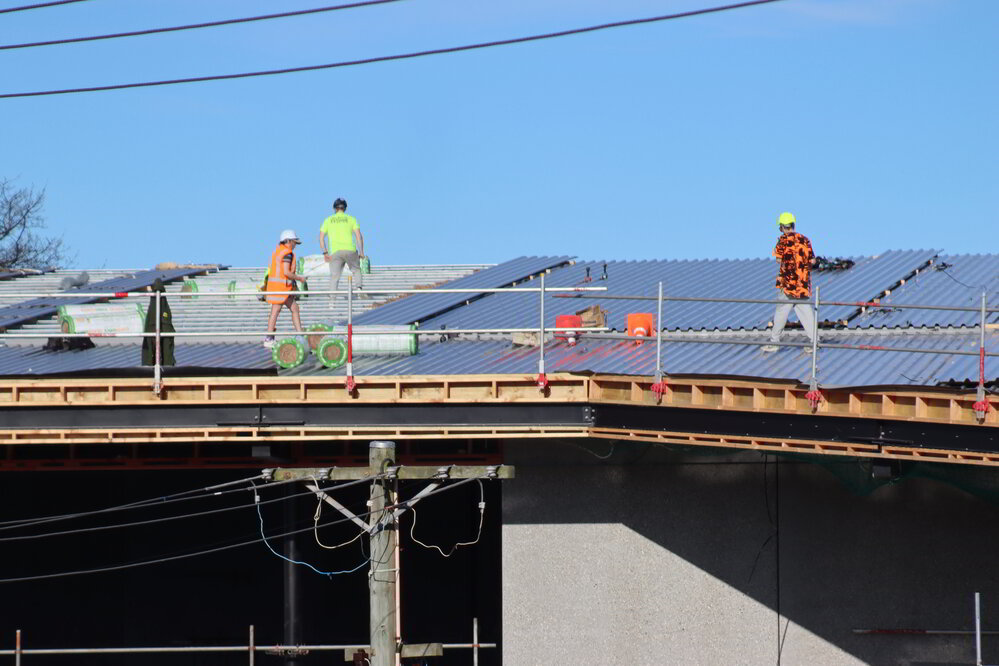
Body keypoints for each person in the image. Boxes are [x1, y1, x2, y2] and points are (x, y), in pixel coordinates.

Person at [762, 212, 817, 353]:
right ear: (793, 224)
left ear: (782, 227)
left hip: (787, 284)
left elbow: (779, 259)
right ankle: (815, 343)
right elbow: (813, 261)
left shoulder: (783, 240)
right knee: (807, 314)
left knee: (781, 313)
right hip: (802, 284)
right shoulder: (805, 240)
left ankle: (774, 343)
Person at [264, 229, 308, 348]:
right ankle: (269, 338)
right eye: (294, 242)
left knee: (294, 308)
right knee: (276, 310)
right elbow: (286, 272)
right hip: (281, 288)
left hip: (277, 287)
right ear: (288, 241)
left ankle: (299, 335)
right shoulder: (287, 254)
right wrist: (300, 278)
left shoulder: (277, 252)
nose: (295, 245)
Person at [319, 198, 365, 307]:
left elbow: (321, 238)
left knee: (335, 276)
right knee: (356, 269)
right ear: (345, 208)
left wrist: (325, 253)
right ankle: (359, 289)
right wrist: (361, 252)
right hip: (350, 249)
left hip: (335, 251)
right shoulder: (351, 219)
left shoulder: (328, 220)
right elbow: (359, 236)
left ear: (334, 208)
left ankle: (332, 302)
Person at [141, 278, 175, 365]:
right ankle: (167, 367)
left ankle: (150, 367)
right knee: (166, 353)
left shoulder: (154, 303)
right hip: (160, 329)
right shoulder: (163, 303)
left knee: (150, 352)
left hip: (155, 329)